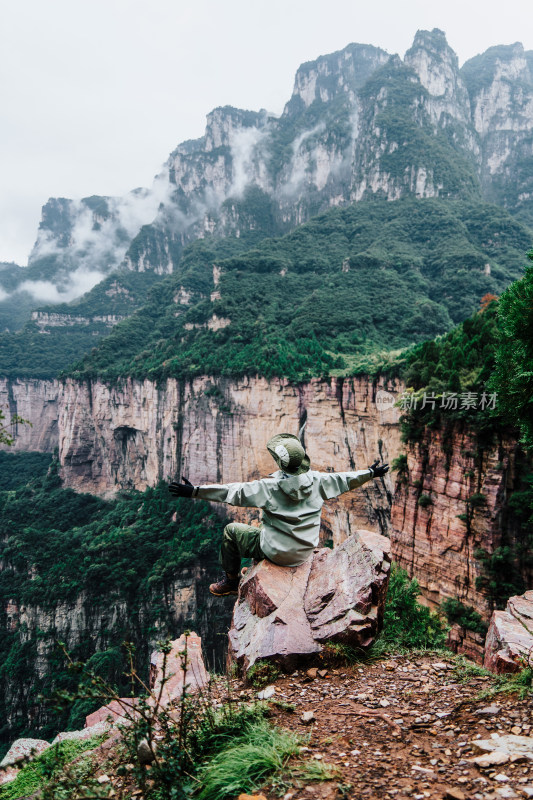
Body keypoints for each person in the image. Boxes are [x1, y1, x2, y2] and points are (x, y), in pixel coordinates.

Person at [168, 432, 389, 597]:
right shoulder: (320, 481)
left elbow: (231, 492)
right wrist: (371, 473)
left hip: (275, 552)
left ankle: (232, 581)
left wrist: (194, 491)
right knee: (263, 529)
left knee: (232, 531)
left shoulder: (268, 487)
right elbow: (346, 479)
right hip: (304, 552)